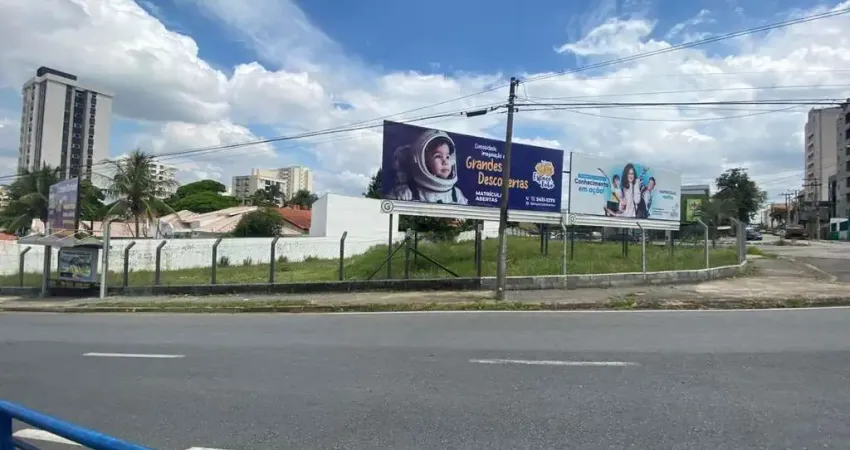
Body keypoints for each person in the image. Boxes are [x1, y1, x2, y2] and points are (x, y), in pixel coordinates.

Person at [389, 129, 468, 204]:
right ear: (422, 160)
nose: (445, 161)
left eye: (447, 157)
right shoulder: (406, 193)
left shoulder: (456, 195)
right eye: (438, 156)